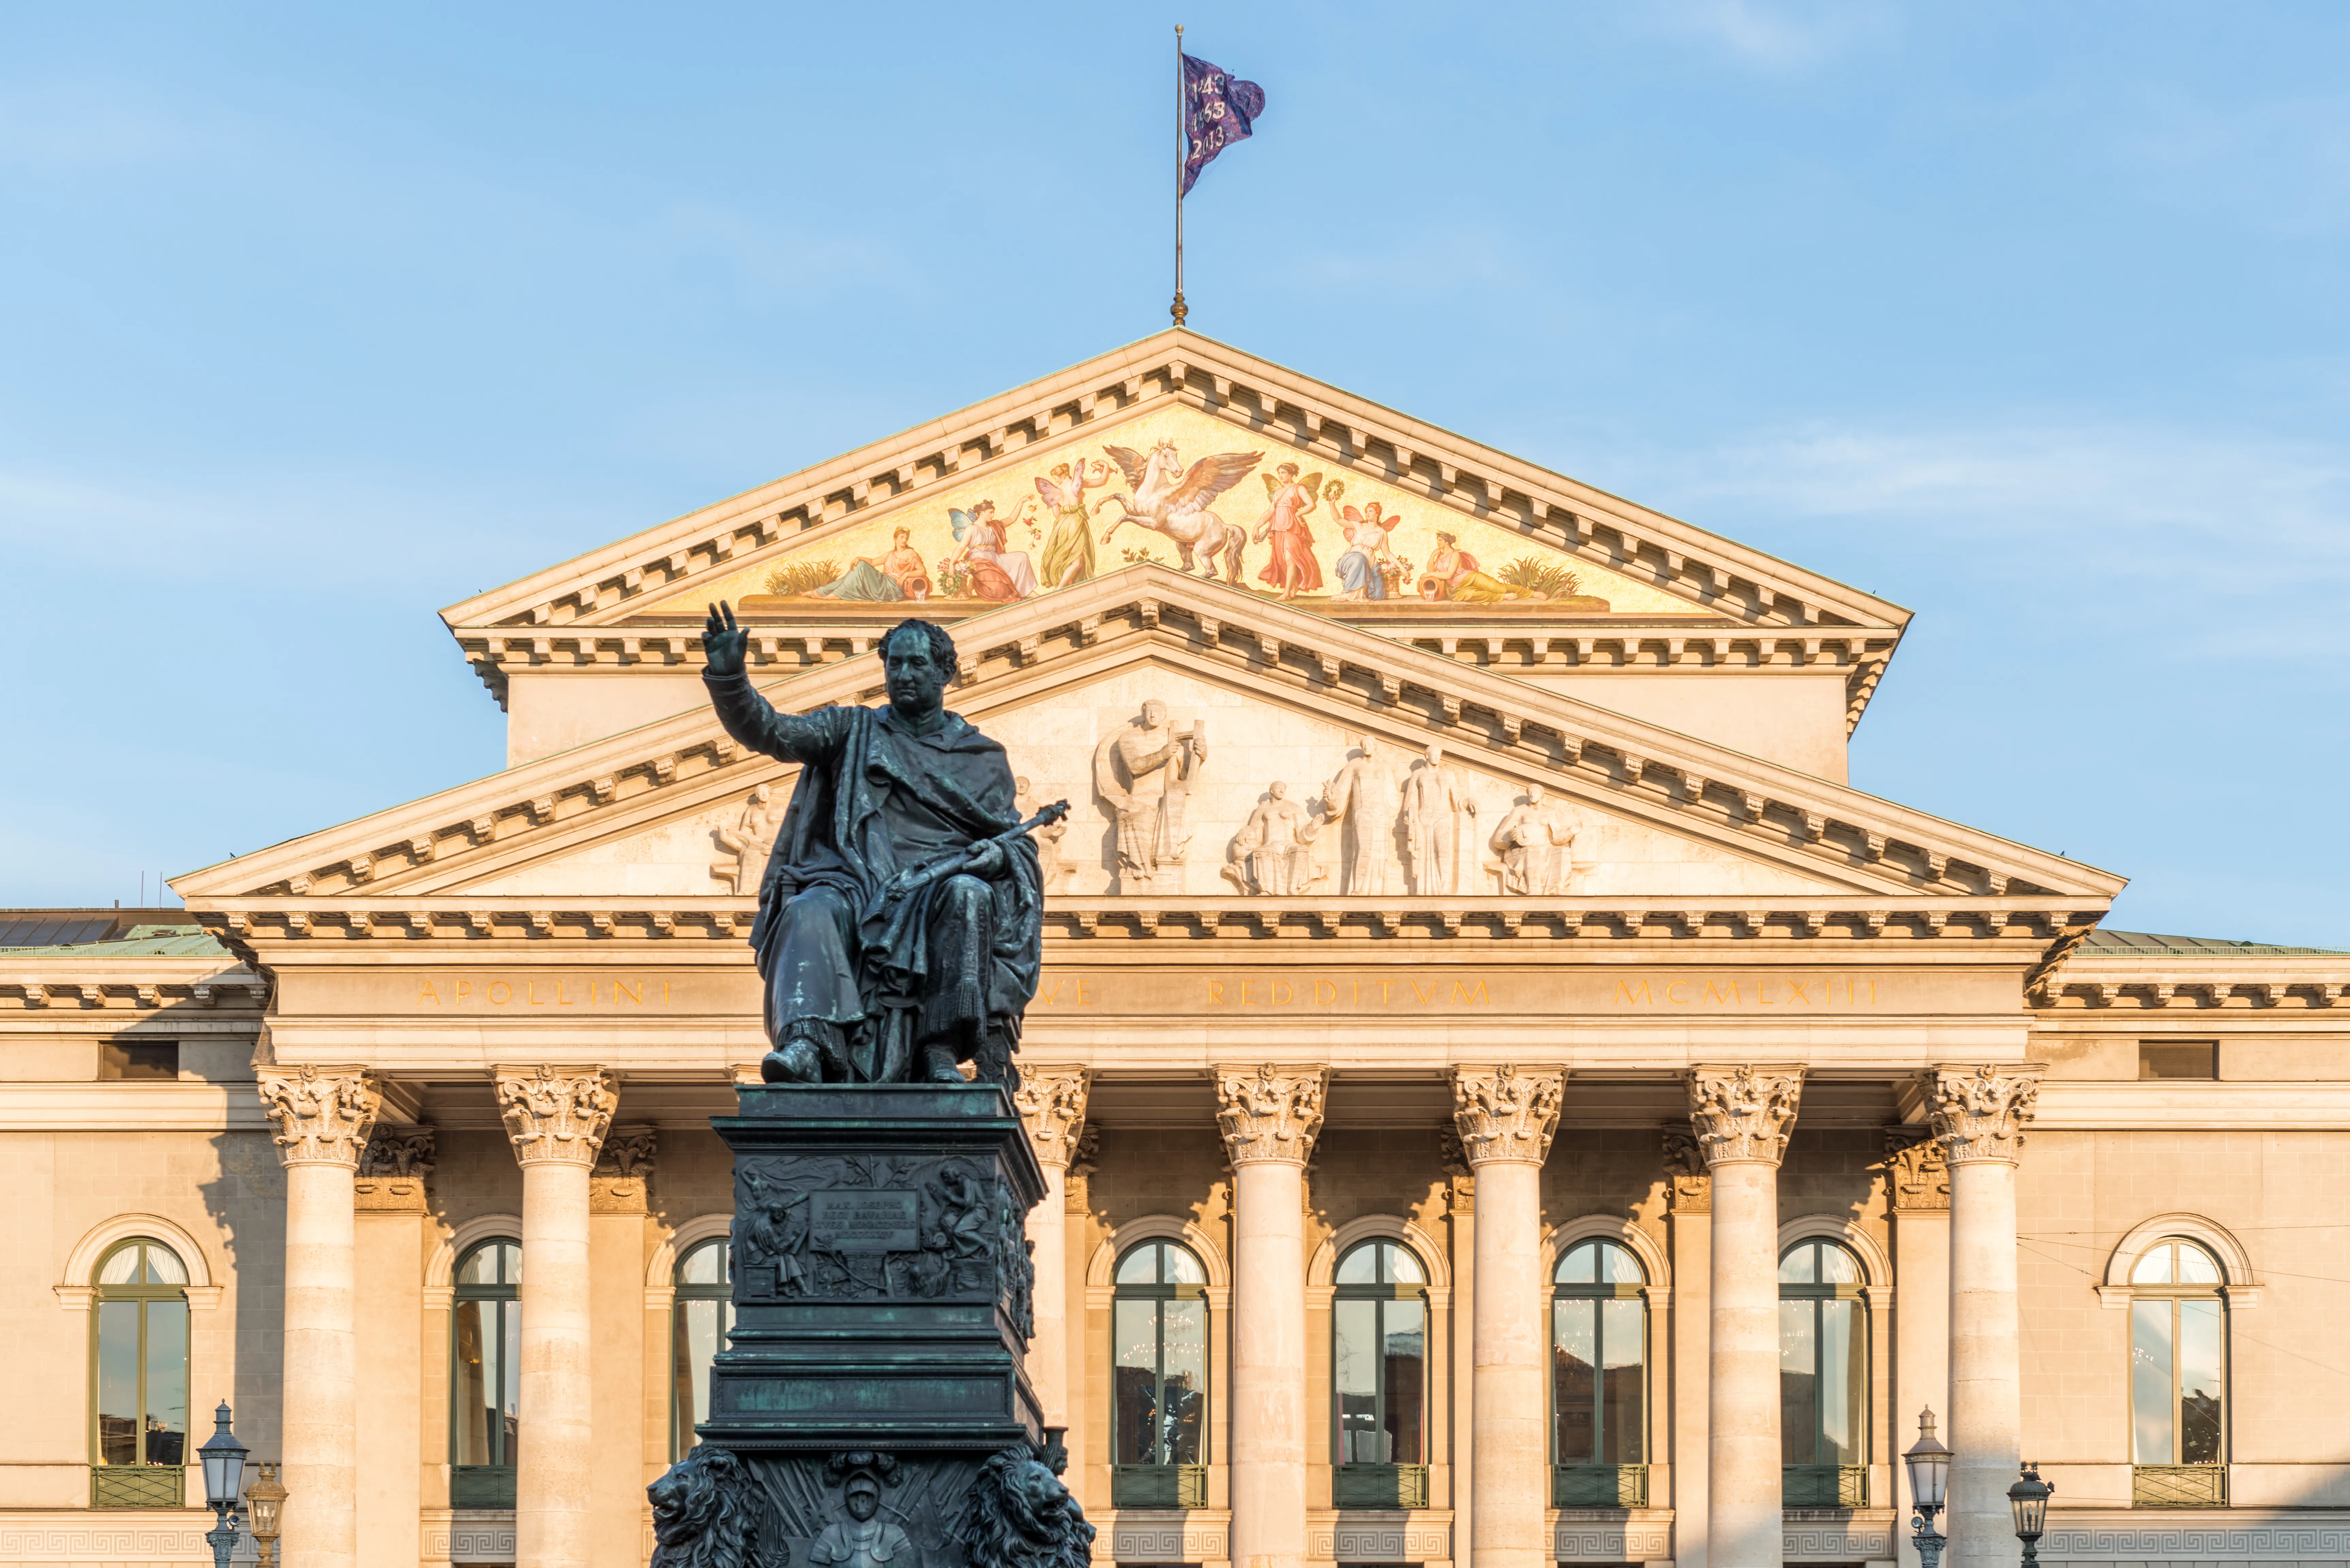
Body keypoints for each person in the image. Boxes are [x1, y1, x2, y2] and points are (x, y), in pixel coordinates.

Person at [700, 603, 1045, 1086]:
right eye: (894, 663)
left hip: (939, 887)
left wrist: (995, 857)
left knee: (970, 895)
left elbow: (1011, 842)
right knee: (809, 908)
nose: (903, 675)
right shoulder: (851, 731)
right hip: (858, 880)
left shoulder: (983, 757)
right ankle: (808, 1042)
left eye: (917, 664)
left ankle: (940, 1049)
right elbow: (771, 731)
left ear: (945, 673)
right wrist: (730, 678)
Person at [809, 1466, 912, 1568]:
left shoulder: (895, 1534)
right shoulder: (830, 1534)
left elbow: (909, 1564)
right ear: (846, 1498)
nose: (862, 1503)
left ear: (878, 1498)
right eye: (856, 1497)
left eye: (868, 1497)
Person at [1037, 461, 1113, 588]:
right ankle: (1060, 589)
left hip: (1063, 526)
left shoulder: (1055, 491)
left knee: (1069, 558)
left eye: (1055, 478)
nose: (1056, 481)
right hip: (1076, 523)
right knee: (1078, 560)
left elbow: (1057, 514)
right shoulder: (1078, 482)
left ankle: (1066, 587)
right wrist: (1106, 465)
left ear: (1060, 476)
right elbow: (1102, 481)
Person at [1253, 463, 1324, 599]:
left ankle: (1286, 594)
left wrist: (1298, 514)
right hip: (1277, 527)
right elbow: (1270, 511)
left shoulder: (1299, 488)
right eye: (1279, 473)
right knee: (1281, 561)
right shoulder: (1278, 493)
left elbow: (1311, 505)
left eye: (1284, 473)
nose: (1281, 475)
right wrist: (1257, 526)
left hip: (1293, 527)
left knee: (1290, 557)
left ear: (1291, 474)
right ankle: (1294, 585)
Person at [947, 499, 1038, 601]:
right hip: (979, 561)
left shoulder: (993, 527)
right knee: (1000, 592)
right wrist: (952, 563)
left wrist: (1021, 502)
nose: (993, 516)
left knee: (1022, 557)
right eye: (990, 513)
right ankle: (975, 582)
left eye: (993, 513)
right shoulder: (972, 528)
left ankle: (1026, 591)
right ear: (982, 512)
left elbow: (1011, 519)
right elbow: (961, 547)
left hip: (995, 558)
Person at [1419, 530, 1520, 603]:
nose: (1438, 542)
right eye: (1438, 540)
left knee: (1498, 587)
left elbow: (1449, 575)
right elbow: (1430, 571)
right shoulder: (1439, 557)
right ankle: (1503, 597)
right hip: (1457, 589)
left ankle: (1528, 593)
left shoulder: (1455, 555)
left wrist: (1430, 574)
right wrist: (1432, 556)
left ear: (1447, 542)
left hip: (1470, 578)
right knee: (1474, 595)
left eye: (1440, 540)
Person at [1331, 501, 1397, 602]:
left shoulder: (1382, 532)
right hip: (1353, 558)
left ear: (1377, 514)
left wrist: (1402, 568)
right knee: (1360, 560)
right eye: (1367, 511)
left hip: (1370, 563)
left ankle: (1363, 593)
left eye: (1371, 511)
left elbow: (1387, 553)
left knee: (1378, 596)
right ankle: (1349, 594)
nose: (1368, 513)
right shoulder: (1359, 526)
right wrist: (1332, 504)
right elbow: (1339, 520)